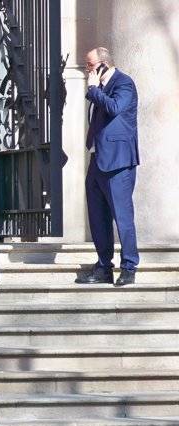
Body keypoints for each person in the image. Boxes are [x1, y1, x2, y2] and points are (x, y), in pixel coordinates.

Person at [75, 47, 140, 287]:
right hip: (97, 159)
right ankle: (104, 266)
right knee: (97, 216)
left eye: (90, 64)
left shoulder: (124, 83)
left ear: (104, 64)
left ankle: (129, 266)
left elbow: (114, 108)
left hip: (118, 162)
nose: (87, 69)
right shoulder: (99, 88)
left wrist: (92, 89)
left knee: (122, 216)